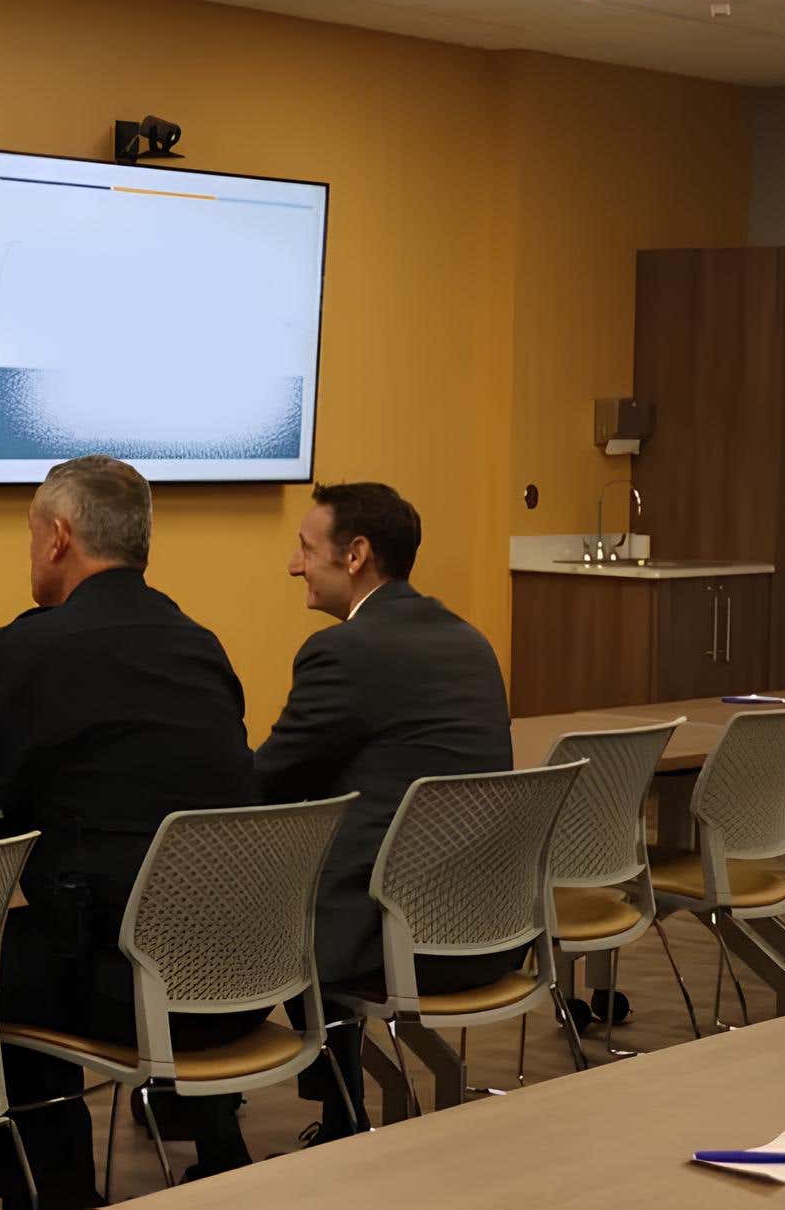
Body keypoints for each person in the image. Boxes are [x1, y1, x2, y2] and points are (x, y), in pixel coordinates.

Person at [0, 456, 262, 1200]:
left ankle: (52, 1191)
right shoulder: (199, 645)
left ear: (56, 537)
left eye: (28, 536)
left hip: (119, 983)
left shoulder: (32, 649)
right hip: (238, 975)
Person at [257, 481, 514, 1140]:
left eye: (305, 549)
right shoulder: (469, 640)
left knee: (244, 896)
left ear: (356, 555)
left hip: (395, 942)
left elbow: (266, 783)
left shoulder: (343, 651)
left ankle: (212, 1106)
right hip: (492, 927)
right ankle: (334, 1108)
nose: (293, 565)